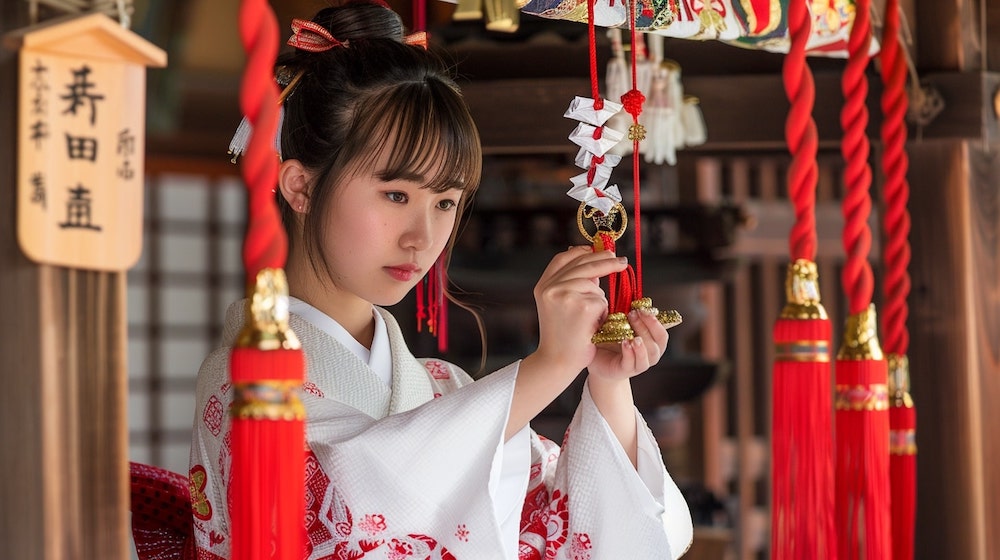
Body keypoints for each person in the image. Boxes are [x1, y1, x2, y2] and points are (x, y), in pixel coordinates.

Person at [189, 2, 693, 559]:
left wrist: (604, 381)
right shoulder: (247, 385)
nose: (422, 237)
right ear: (300, 186)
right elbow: (347, 516)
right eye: (396, 195)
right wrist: (549, 366)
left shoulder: (444, 389)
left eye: (446, 201)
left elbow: (602, 538)